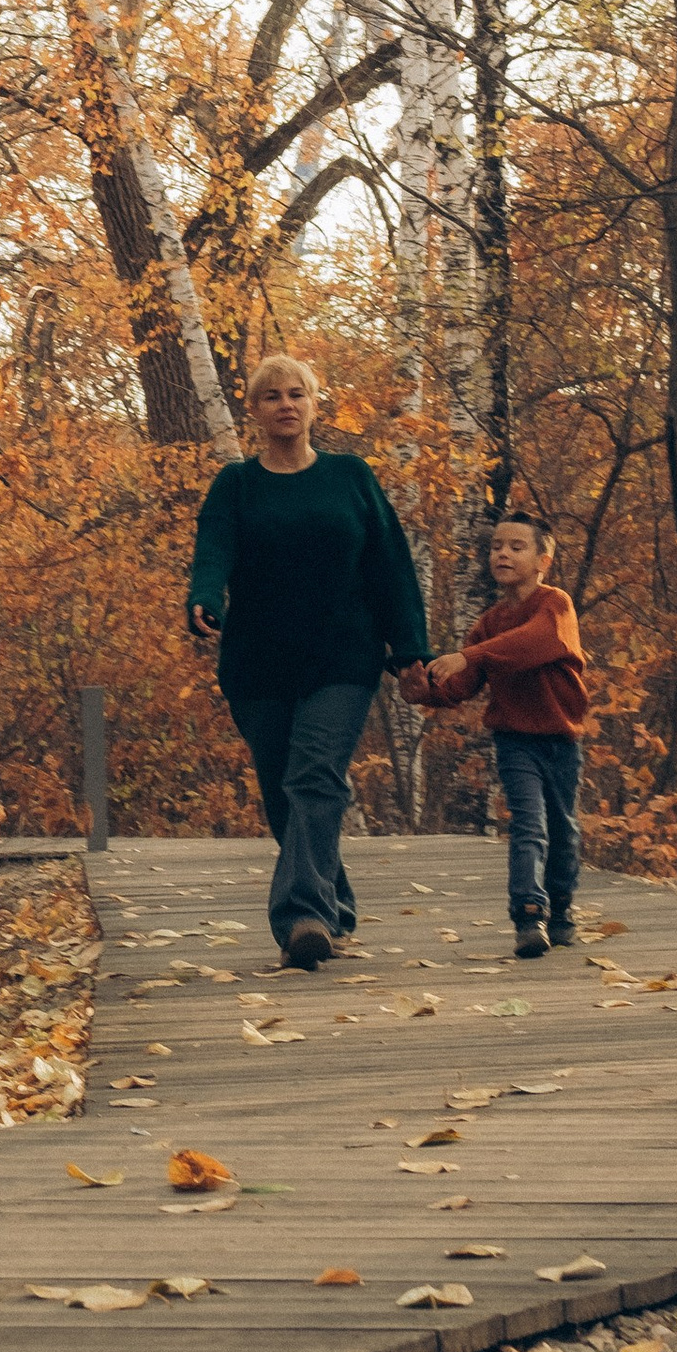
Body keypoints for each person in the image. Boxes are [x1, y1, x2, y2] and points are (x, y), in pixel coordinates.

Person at [186, 354, 429, 969]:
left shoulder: (351, 477)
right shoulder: (236, 485)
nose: (286, 405)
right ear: (255, 410)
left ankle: (302, 915)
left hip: (343, 657)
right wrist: (205, 599)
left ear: (316, 404)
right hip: (258, 662)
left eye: (297, 394)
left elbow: (391, 568)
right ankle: (334, 905)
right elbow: (212, 554)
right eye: (272, 396)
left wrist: (409, 653)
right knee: (283, 796)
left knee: (315, 777)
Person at [404, 510, 588, 957]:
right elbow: (462, 688)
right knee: (529, 824)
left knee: (564, 832)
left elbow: (536, 642)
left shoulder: (555, 605)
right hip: (515, 740)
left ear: (543, 559)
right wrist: (423, 691)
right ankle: (528, 915)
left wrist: (468, 655)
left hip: (562, 740)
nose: (503, 553)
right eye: (496, 546)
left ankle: (561, 908)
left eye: (516, 546)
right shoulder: (489, 623)